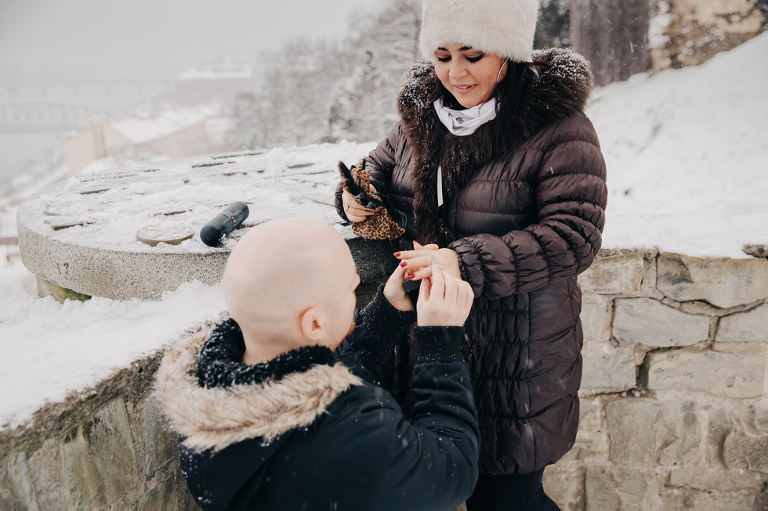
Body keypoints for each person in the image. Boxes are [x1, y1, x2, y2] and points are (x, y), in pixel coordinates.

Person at [336, 0, 608, 509]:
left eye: (473, 55)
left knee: (507, 498)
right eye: (441, 56)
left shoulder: (558, 126)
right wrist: (356, 199)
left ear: (505, 51)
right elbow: (375, 170)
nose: (455, 73)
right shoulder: (421, 117)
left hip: (515, 349)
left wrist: (462, 261)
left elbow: (575, 235)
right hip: (430, 346)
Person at [154, 217, 479, 511]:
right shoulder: (359, 435)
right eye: (351, 288)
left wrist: (386, 314)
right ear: (313, 324)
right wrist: (440, 347)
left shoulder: (208, 397)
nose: (356, 289)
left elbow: (303, 380)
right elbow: (454, 469)